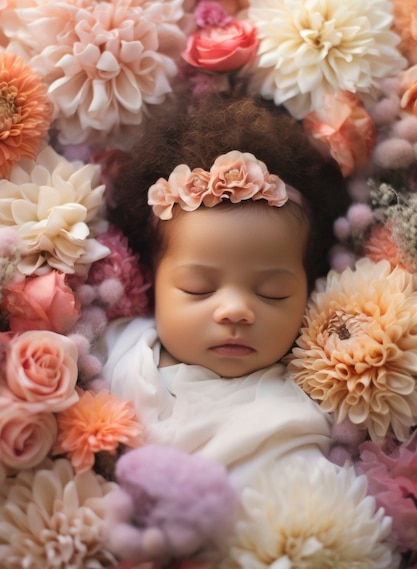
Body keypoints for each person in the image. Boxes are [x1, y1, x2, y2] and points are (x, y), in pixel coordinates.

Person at [97, 91, 350, 489]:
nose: (234, 311)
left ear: (308, 293)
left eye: (271, 293)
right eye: (198, 289)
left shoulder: (295, 411)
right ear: (153, 282)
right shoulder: (117, 347)